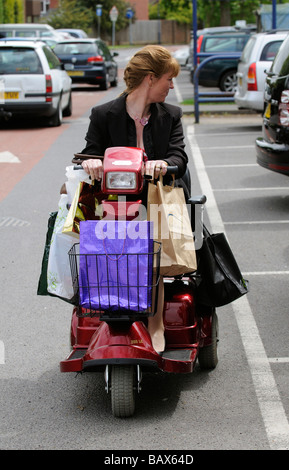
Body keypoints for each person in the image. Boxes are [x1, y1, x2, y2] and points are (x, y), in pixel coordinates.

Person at [75, 45, 188, 353]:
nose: (171, 86)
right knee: (99, 248)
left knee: (151, 249)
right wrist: (90, 162)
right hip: (114, 201)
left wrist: (165, 163)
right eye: (168, 79)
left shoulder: (171, 115)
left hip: (154, 200)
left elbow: (179, 155)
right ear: (150, 79)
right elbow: (90, 150)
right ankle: (106, 315)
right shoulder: (103, 114)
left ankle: (156, 325)